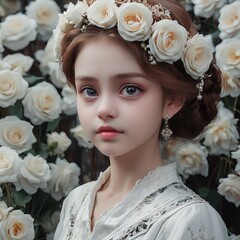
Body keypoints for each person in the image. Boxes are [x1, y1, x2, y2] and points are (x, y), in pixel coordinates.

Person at [53, 0, 229, 239]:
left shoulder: (188, 219)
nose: (104, 109)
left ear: (172, 100)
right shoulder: (76, 202)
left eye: (130, 89)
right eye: (89, 91)